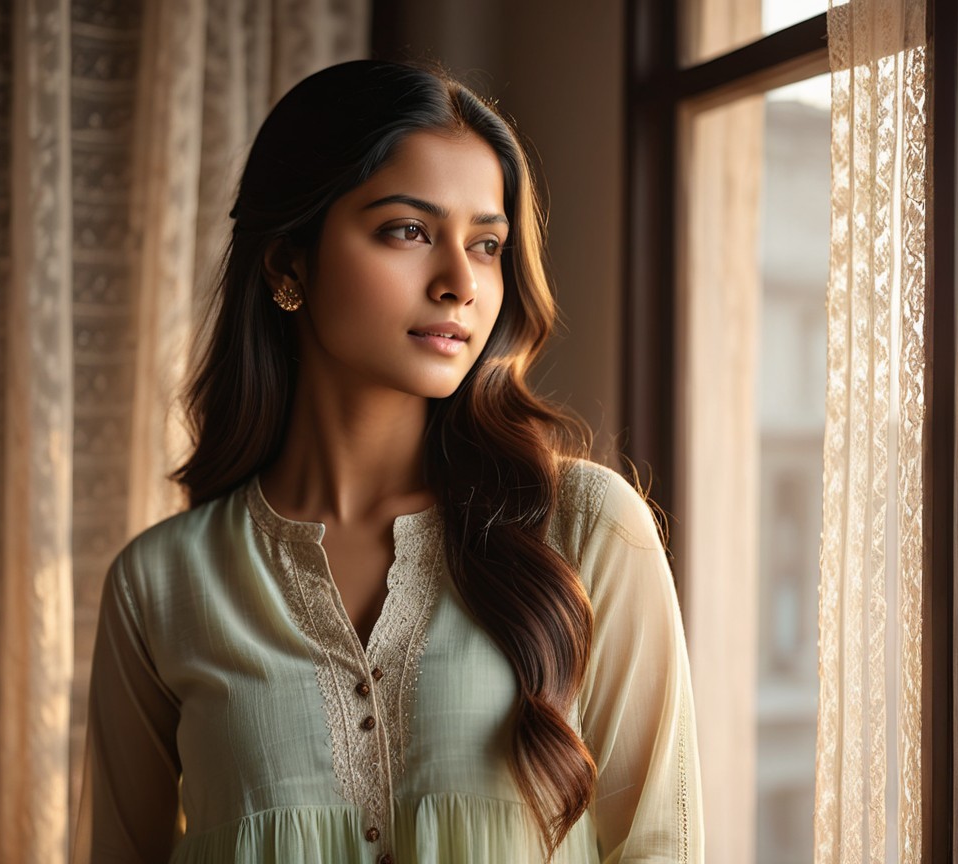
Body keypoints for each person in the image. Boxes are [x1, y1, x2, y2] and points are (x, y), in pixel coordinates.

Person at [74, 59, 703, 864]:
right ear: (287, 263)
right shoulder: (158, 587)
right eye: (407, 230)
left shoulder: (586, 530)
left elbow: (661, 846)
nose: (459, 283)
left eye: (486, 245)